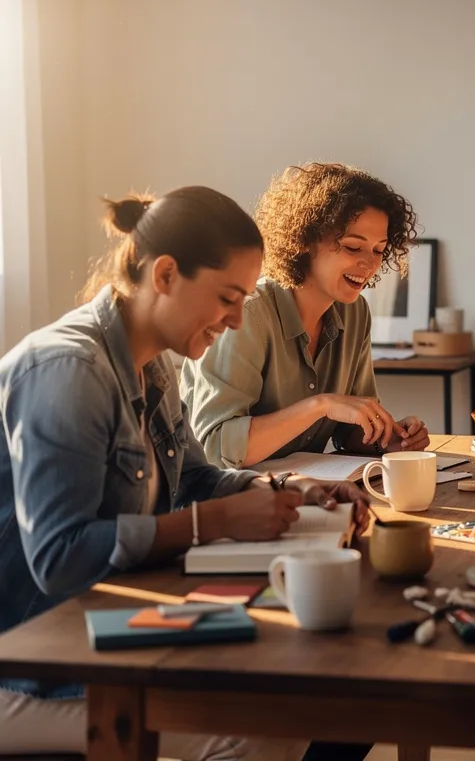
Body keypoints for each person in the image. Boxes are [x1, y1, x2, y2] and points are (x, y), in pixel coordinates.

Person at [0, 187, 371, 759]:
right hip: (28, 658)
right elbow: (59, 556)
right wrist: (209, 521)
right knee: (265, 731)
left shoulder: (153, 365)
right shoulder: (67, 369)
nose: (236, 320)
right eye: (228, 296)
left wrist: (286, 491)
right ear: (166, 275)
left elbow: (196, 478)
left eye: (246, 299)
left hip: (95, 623)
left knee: (321, 686)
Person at [181, 163, 429, 468]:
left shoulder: (355, 313)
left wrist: (385, 437)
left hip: (302, 494)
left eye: (379, 250)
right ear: (304, 240)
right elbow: (216, 447)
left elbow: (347, 429)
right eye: (353, 247)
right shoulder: (246, 316)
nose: (370, 264)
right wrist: (319, 406)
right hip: (225, 503)